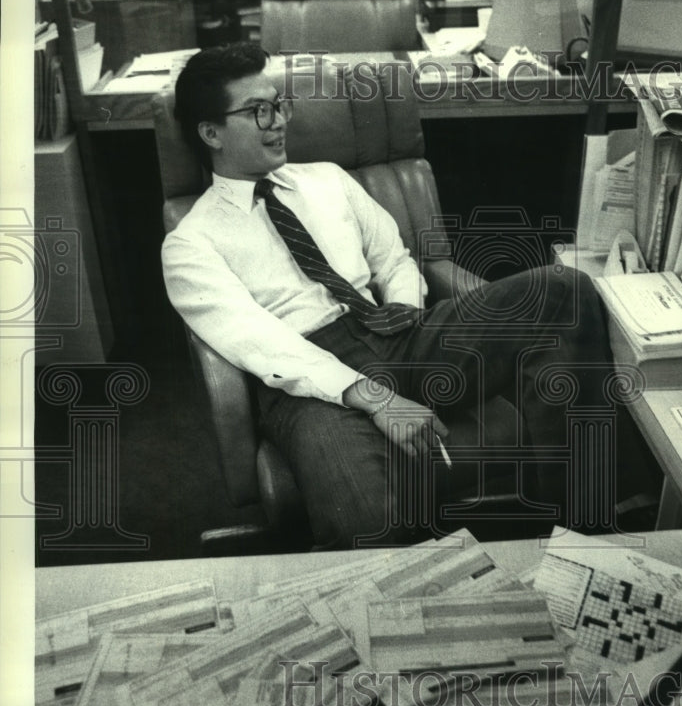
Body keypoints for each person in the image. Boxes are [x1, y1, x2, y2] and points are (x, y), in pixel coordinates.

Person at [163, 42, 645, 550]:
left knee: (563, 290)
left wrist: (407, 322)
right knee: (366, 520)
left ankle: (587, 537)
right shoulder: (190, 244)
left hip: (394, 330)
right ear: (211, 132)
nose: (278, 121)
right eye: (257, 111)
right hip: (308, 383)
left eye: (279, 104)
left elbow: (393, 257)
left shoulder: (327, 179)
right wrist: (375, 397)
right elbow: (257, 341)